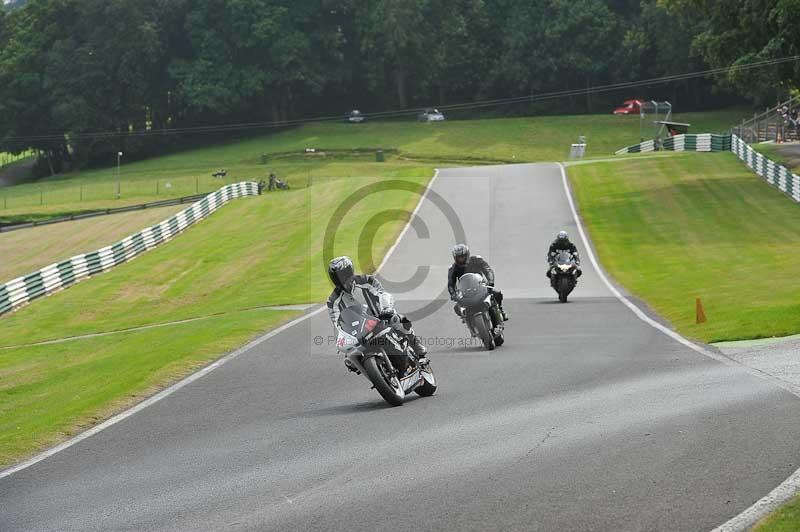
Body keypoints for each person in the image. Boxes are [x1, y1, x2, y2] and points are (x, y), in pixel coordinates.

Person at [327, 256, 427, 358]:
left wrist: (386, 308)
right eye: (338, 277)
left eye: (344, 275)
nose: (343, 280)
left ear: (350, 272)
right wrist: (342, 341)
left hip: (381, 318)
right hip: (359, 332)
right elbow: (337, 324)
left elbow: (383, 294)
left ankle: (415, 344)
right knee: (350, 360)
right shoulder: (333, 301)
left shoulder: (367, 281)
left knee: (398, 319)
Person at [447, 244, 508, 321]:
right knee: (457, 308)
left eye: (462, 256)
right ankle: (469, 322)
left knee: (497, 294)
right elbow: (450, 284)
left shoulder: (476, 260)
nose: (461, 259)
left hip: (481, 287)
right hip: (465, 292)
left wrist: (491, 281)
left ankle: (500, 311)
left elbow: (487, 270)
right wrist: (453, 294)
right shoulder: (453, 269)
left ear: (467, 254)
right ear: (455, 257)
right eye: (459, 257)